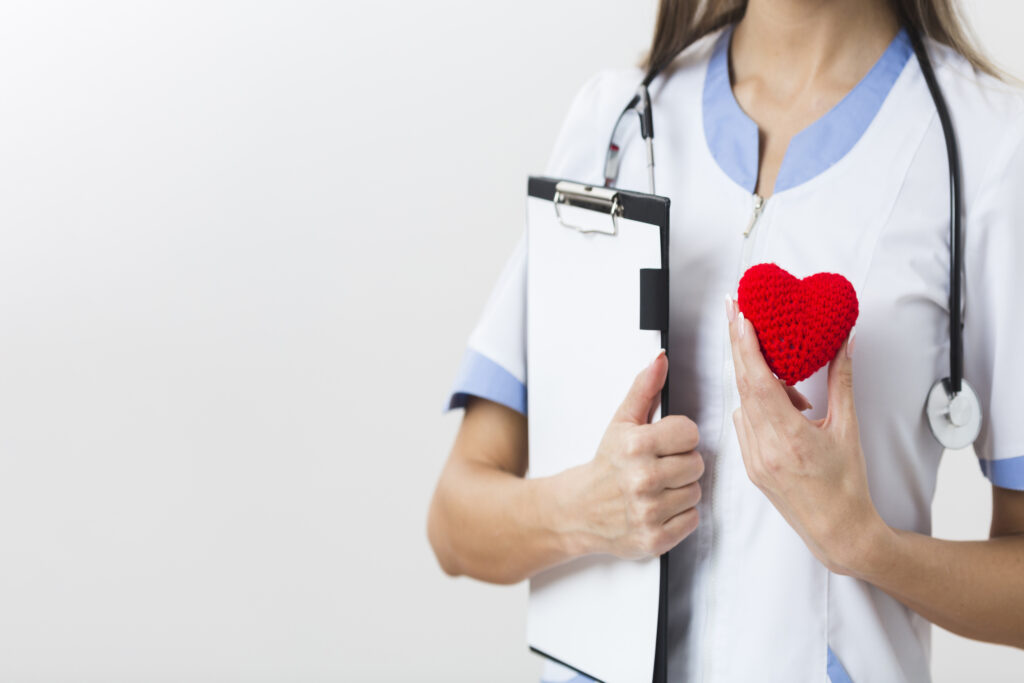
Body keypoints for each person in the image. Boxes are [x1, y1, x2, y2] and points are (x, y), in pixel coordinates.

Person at [427, 0, 1024, 681]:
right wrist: (586, 510)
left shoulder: (992, 152)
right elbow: (455, 521)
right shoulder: (616, 124)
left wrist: (866, 545)